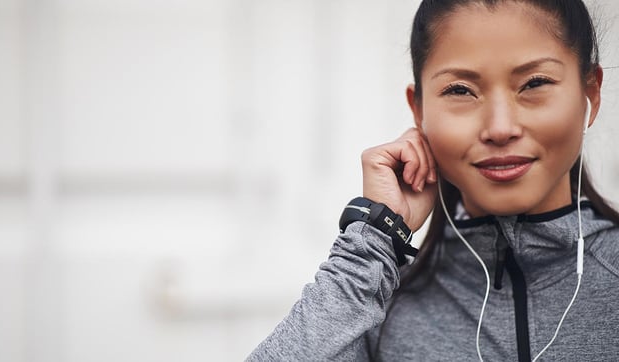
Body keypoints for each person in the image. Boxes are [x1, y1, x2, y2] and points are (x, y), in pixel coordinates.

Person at [248, 0, 619, 361]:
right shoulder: (375, 308)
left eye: (534, 83)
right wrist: (376, 238)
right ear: (419, 110)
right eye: (460, 90)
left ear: (591, 92)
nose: (500, 128)